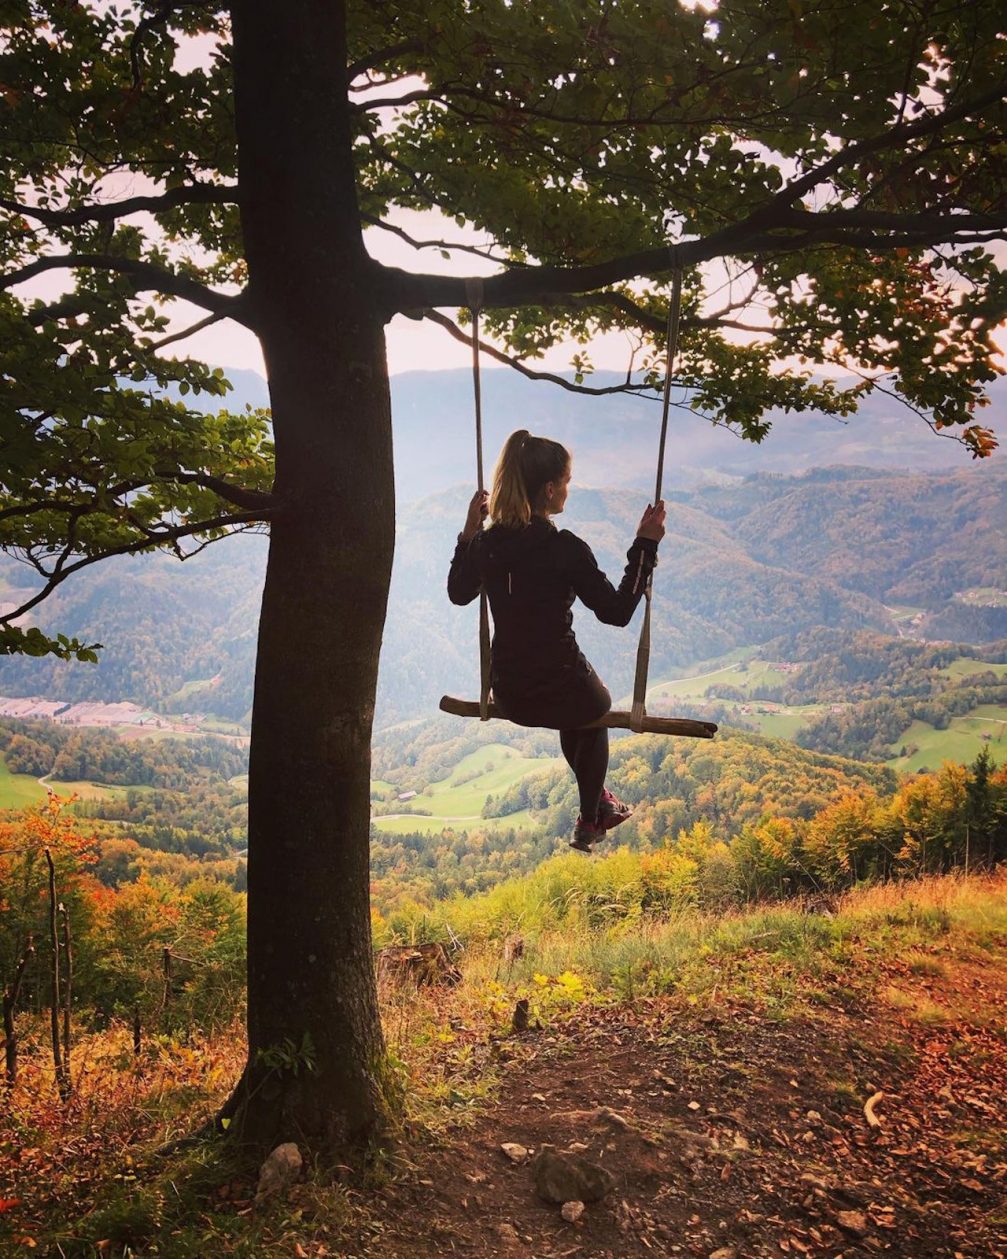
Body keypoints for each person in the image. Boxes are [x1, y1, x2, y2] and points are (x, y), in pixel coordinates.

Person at [447, 429, 666, 853]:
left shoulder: (487, 544)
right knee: (593, 707)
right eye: (566, 482)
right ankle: (589, 817)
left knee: (576, 708)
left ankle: (598, 805)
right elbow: (617, 612)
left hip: (511, 693)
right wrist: (645, 546)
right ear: (549, 491)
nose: (569, 489)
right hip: (564, 687)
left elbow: (459, 593)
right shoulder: (565, 548)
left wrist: (468, 533)